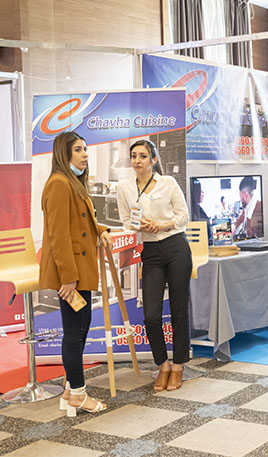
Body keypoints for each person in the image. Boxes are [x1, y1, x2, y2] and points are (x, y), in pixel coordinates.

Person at [39, 132, 112, 416]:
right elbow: (58, 236)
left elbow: (82, 222)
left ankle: (71, 389)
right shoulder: (59, 184)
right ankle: (79, 394)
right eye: (79, 149)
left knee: (81, 327)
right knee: (74, 331)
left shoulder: (72, 182)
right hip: (71, 272)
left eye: (85, 149)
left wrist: (101, 230)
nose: (85, 154)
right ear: (64, 153)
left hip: (79, 268)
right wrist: (68, 277)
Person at [117, 139, 192, 392]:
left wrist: (162, 225)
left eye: (142, 156)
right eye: (134, 156)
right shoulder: (124, 187)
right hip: (150, 251)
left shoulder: (167, 183)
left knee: (179, 308)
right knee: (151, 315)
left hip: (175, 246)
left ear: (153, 160)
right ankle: (162, 364)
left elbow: (184, 216)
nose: (137, 160)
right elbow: (126, 220)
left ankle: (178, 365)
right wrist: (140, 226)